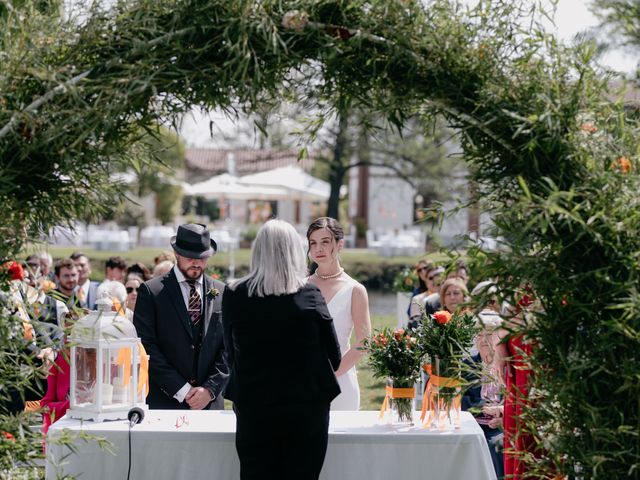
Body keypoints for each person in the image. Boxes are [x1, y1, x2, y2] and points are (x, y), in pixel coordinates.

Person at [222, 219, 341, 480]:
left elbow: (229, 352)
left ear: (257, 251)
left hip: (255, 406)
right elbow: (334, 354)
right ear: (294, 251)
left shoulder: (234, 294)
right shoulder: (309, 294)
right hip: (305, 409)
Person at [133, 223, 228, 410]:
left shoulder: (223, 292)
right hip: (166, 402)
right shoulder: (152, 292)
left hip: (210, 405)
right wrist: (183, 390)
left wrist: (209, 390)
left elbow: (229, 347)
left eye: (202, 258)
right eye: (190, 257)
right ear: (176, 253)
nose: (196, 263)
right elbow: (145, 346)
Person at [306, 216, 371, 411]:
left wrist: (332, 374)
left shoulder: (355, 290)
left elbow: (364, 342)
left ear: (340, 244)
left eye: (325, 242)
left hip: (341, 382)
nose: (318, 249)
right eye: (313, 243)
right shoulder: (300, 286)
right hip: (304, 380)